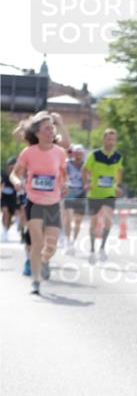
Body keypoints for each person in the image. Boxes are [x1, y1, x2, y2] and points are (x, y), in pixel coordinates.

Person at [10, 114, 68, 294]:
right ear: (37, 133)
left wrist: (65, 184)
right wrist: (17, 182)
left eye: (52, 128)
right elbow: (14, 173)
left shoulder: (59, 152)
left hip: (53, 203)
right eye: (47, 128)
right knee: (37, 242)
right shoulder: (28, 152)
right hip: (33, 202)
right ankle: (36, 280)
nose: (51, 131)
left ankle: (44, 261)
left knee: (50, 246)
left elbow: (63, 174)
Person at [83, 129, 123, 264]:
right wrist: (86, 183)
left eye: (113, 139)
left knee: (108, 221)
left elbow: (119, 170)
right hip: (94, 193)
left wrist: (117, 185)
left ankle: (102, 248)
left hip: (109, 194)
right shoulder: (94, 155)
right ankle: (92, 250)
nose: (111, 142)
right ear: (103, 140)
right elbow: (85, 169)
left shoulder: (118, 156)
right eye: (108, 139)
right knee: (94, 222)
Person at [63, 145, 87, 254]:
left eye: (80, 153)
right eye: (76, 153)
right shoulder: (67, 164)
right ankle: (67, 241)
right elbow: (63, 175)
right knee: (68, 218)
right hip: (70, 192)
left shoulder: (86, 166)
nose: (78, 156)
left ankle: (73, 242)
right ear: (73, 154)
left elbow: (89, 178)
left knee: (78, 221)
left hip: (81, 193)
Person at [1, 159, 18, 241]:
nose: (11, 168)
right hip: (3, 197)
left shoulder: (16, 175)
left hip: (13, 198)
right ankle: (4, 231)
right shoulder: (3, 174)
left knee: (10, 217)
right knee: (5, 211)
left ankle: (6, 229)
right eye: (10, 166)